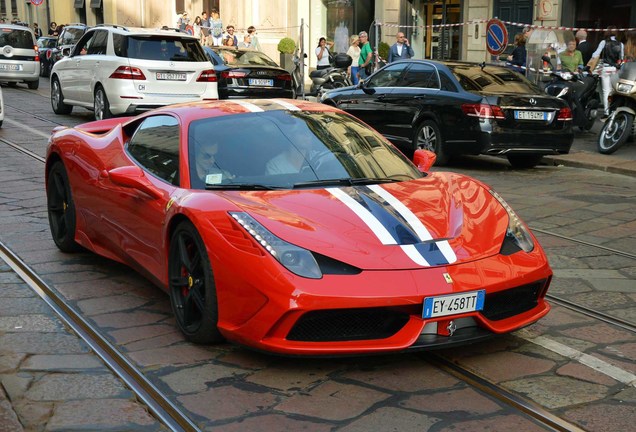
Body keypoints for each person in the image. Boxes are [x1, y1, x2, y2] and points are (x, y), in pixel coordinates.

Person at [589, 26, 625, 118]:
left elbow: (596, 54)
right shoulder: (621, 44)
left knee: (606, 91)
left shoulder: (603, 42)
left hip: (605, 69)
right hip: (615, 70)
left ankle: (606, 112)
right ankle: (614, 110)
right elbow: (621, 58)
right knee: (614, 91)